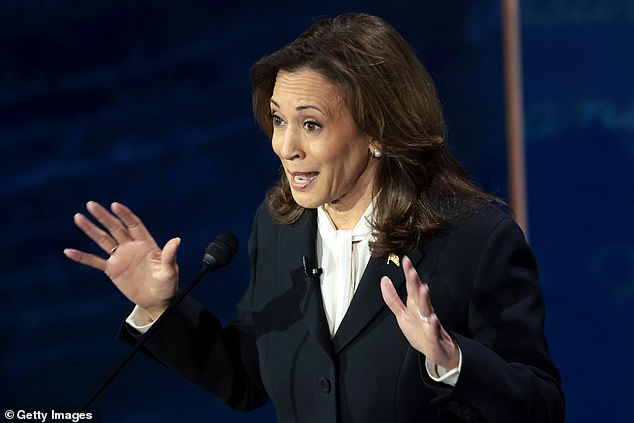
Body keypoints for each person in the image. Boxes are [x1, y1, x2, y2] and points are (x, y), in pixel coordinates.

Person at [64, 13, 565, 423]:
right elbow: (248, 378)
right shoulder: (279, 226)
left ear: (378, 133)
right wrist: (161, 310)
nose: (285, 147)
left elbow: (542, 407)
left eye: (311, 124)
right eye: (279, 121)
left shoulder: (473, 239)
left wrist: (452, 362)